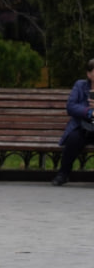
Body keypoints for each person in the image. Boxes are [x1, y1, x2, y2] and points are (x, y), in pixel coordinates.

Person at [52, 58, 94, 186]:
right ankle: (63, 174)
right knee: (73, 139)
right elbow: (71, 106)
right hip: (82, 127)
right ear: (89, 74)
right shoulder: (80, 85)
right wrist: (89, 112)